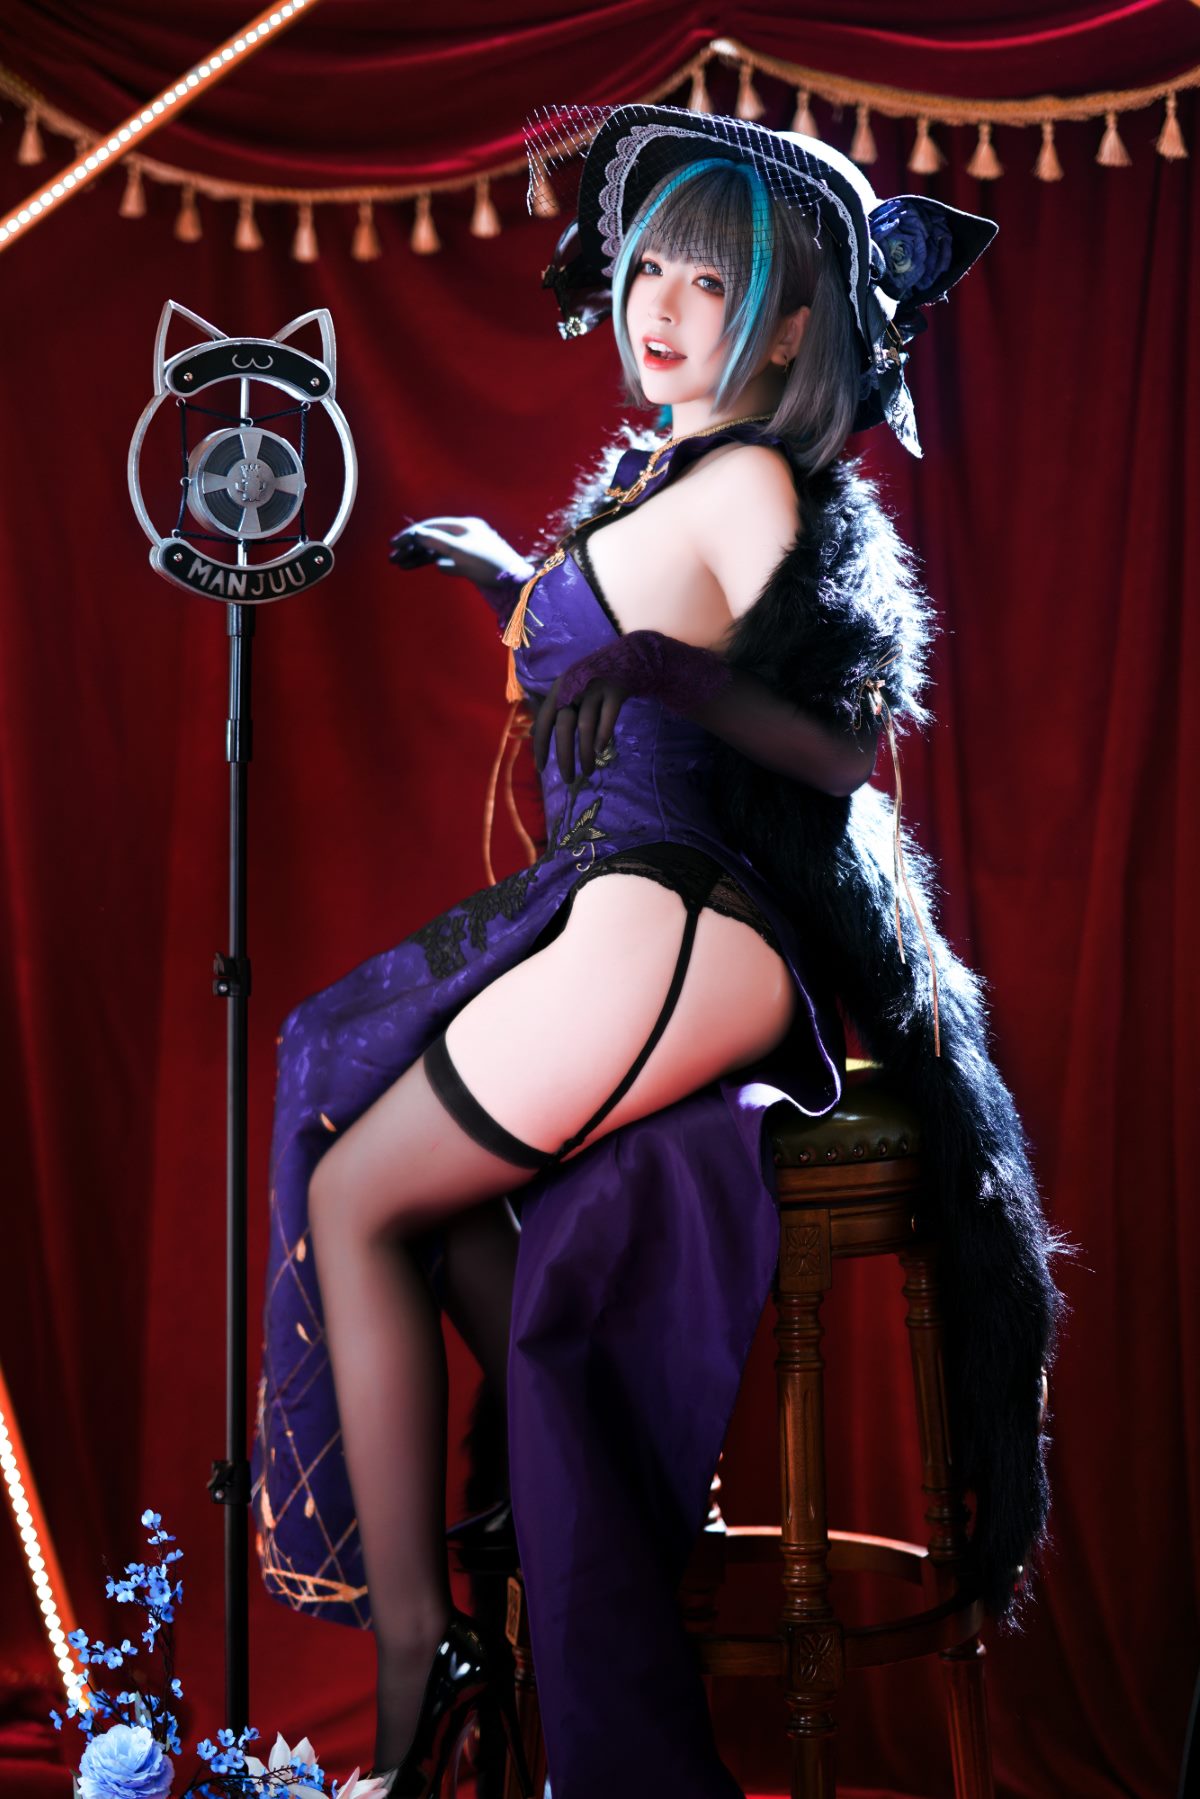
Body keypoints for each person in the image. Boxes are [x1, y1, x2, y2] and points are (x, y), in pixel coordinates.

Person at [250, 102, 1067, 1799]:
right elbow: (634, 634)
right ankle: (574, 1519)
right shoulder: (666, 476)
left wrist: (665, 672)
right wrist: (513, 581)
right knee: (409, 1189)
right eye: (648, 270)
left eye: (712, 279)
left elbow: (838, 739)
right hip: (631, 908)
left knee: (356, 1187)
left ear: (790, 321)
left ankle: (425, 1665)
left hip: (683, 919)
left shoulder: (756, 475)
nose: (661, 305)